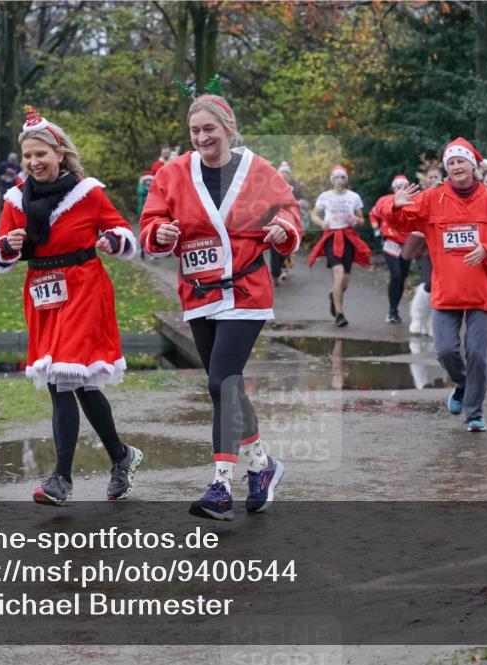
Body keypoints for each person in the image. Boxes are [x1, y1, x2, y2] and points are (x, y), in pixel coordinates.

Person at [139, 90, 301, 520]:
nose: (201, 137)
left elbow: (289, 211)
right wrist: (161, 234)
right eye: (194, 131)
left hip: (246, 290)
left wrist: (282, 229)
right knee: (223, 384)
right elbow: (150, 220)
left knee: (222, 382)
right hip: (199, 292)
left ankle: (220, 486)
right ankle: (263, 468)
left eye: (209, 128)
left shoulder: (258, 171)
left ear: (228, 128)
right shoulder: (172, 173)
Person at [0, 105, 142, 506]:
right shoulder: (15, 200)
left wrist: (113, 241)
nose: (34, 162)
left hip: (84, 287)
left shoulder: (88, 193)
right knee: (83, 385)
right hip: (42, 291)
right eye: (28, 156)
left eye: (42, 154)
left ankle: (61, 479)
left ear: (60, 154)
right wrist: (7, 246)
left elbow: (123, 230)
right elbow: (2, 250)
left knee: (62, 379)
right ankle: (122, 456)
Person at [392, 137, 487, 432]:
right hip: (445, 290)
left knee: (476, 353)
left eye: (460, 161)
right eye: (451, 162)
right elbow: (398, 223)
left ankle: (474, 412)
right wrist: (394, 206)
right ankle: (464, 385)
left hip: (481, 292)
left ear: (473, 166)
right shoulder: (431, 198)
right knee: (446, 352)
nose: (455, 166)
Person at [308, 165, 370, 327]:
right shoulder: (325, 196)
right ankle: (339, 314)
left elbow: (362, 220)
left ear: (346, 180)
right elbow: (313, 214)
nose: (339, 180)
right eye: (336, 177)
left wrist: (356, 221)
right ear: (332, 180)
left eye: (342, 177)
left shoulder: (354, 197)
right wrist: (322, 223)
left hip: (348, 236)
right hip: (332, 236)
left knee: (345, 282)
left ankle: (333, 295)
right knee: (339, 273)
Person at [370, 174, 416, 324]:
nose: (399, 189)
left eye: (402, 186)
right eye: (396, 186)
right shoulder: (385, 200)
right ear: (392, 188)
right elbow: (373, 214)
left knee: (402, 277)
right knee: (395, 275)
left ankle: (394, 310)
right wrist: (376, 230)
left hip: (407, 244)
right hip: (390, 243)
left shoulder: (413, 201)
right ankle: (392, 311)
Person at [409, 162, 443, 335]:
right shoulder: (421, 197)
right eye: (431, 177)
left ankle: (431, 321)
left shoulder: (447, 196)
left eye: (437, 176)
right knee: (429, 283)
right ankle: (417, 316)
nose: (434, 180)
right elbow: (412, 219)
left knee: (439, 285)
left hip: (443, 247)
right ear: (426, 180)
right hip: (424, 247)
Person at [268, 161, 309, 284]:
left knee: (288, 245)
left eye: (286, 173)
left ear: (289, 174)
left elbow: (304, 200)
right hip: (275, 218)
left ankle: (282, 266)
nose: (284, 175)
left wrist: (299, 203)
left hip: (290, 219)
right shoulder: (272, 185)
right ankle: (275, 274)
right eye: (282, 172)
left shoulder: (295, 185)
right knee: (274, 247)